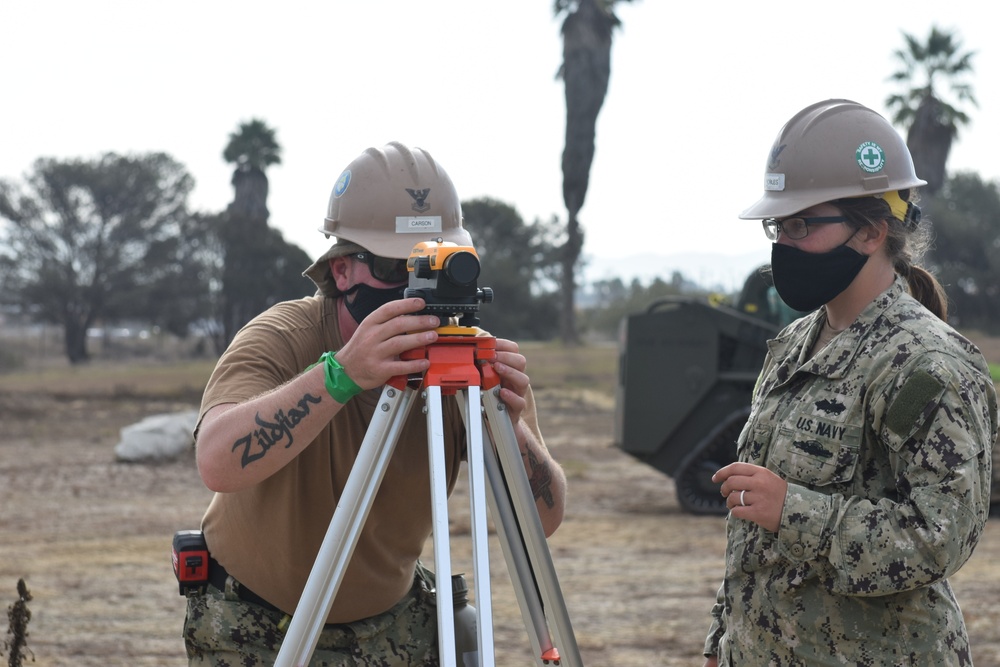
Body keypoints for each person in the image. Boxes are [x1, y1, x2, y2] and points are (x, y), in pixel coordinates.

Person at [182, 141, 567, 666]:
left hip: (392, 629)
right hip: (257, 626)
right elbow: (217, 462)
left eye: (435, 267)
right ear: (343, 272)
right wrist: (341, 376)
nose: (417, 290)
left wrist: (507, 424)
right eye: (399, 269)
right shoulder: (285, 336)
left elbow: (541, 523)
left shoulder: (468, 361)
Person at [702, 100, 998, 666]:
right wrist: (725, 639)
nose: (783, 243)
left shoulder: (926, 365)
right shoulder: (792, 345)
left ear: (870, 233)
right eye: (778, 225)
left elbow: (940, 536)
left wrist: (794, 510)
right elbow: (755, 539)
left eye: (801, 225)